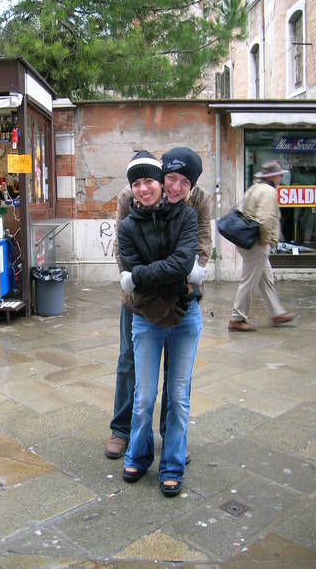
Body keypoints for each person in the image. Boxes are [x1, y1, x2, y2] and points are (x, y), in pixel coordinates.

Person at [105, 147, 211, 460]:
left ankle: (173, 435)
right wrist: (138, 286)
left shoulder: (198, 199)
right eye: (171, 179)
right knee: (129, 361)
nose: (176, 188)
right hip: (137, 298)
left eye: (184, 182)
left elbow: (201, 247)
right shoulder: (133, 193)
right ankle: (121, 430)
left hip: (180, 293)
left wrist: (183, 278)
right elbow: (122, 251)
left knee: (178, 372)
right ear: (161, 175)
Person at [228, 161, 296, 331]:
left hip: (248, 240)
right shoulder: (268, 191)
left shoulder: (254, 188)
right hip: (257, 242)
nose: (281, 177)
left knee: (266, 279)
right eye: (279, 175)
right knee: (249, 280)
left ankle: (277, 312)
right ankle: (237, 318)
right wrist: (266, 241)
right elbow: (265, 219)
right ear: (272, 176)